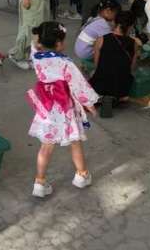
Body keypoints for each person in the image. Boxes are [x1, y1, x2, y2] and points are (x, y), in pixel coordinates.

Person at [26, 22, 98, 198]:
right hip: (65, 108)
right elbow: (78, 85)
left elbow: (34, 44)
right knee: (75, 142)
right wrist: (89, 103)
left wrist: (39, 40)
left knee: (46, 146)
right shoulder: (65, 63)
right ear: (59, 43)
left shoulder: (36, 57)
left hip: (47, 107)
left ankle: (39, 182)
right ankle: (82, 175)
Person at [91, 11, 141, 101]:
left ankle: (102, 95)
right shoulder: (134, 43)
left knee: (93, 73)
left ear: (114, 22)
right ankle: (120, 97)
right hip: (121, 89)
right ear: (130, 27)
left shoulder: (101, 39)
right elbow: (132, 68)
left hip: (100, 86)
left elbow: (96, 65)